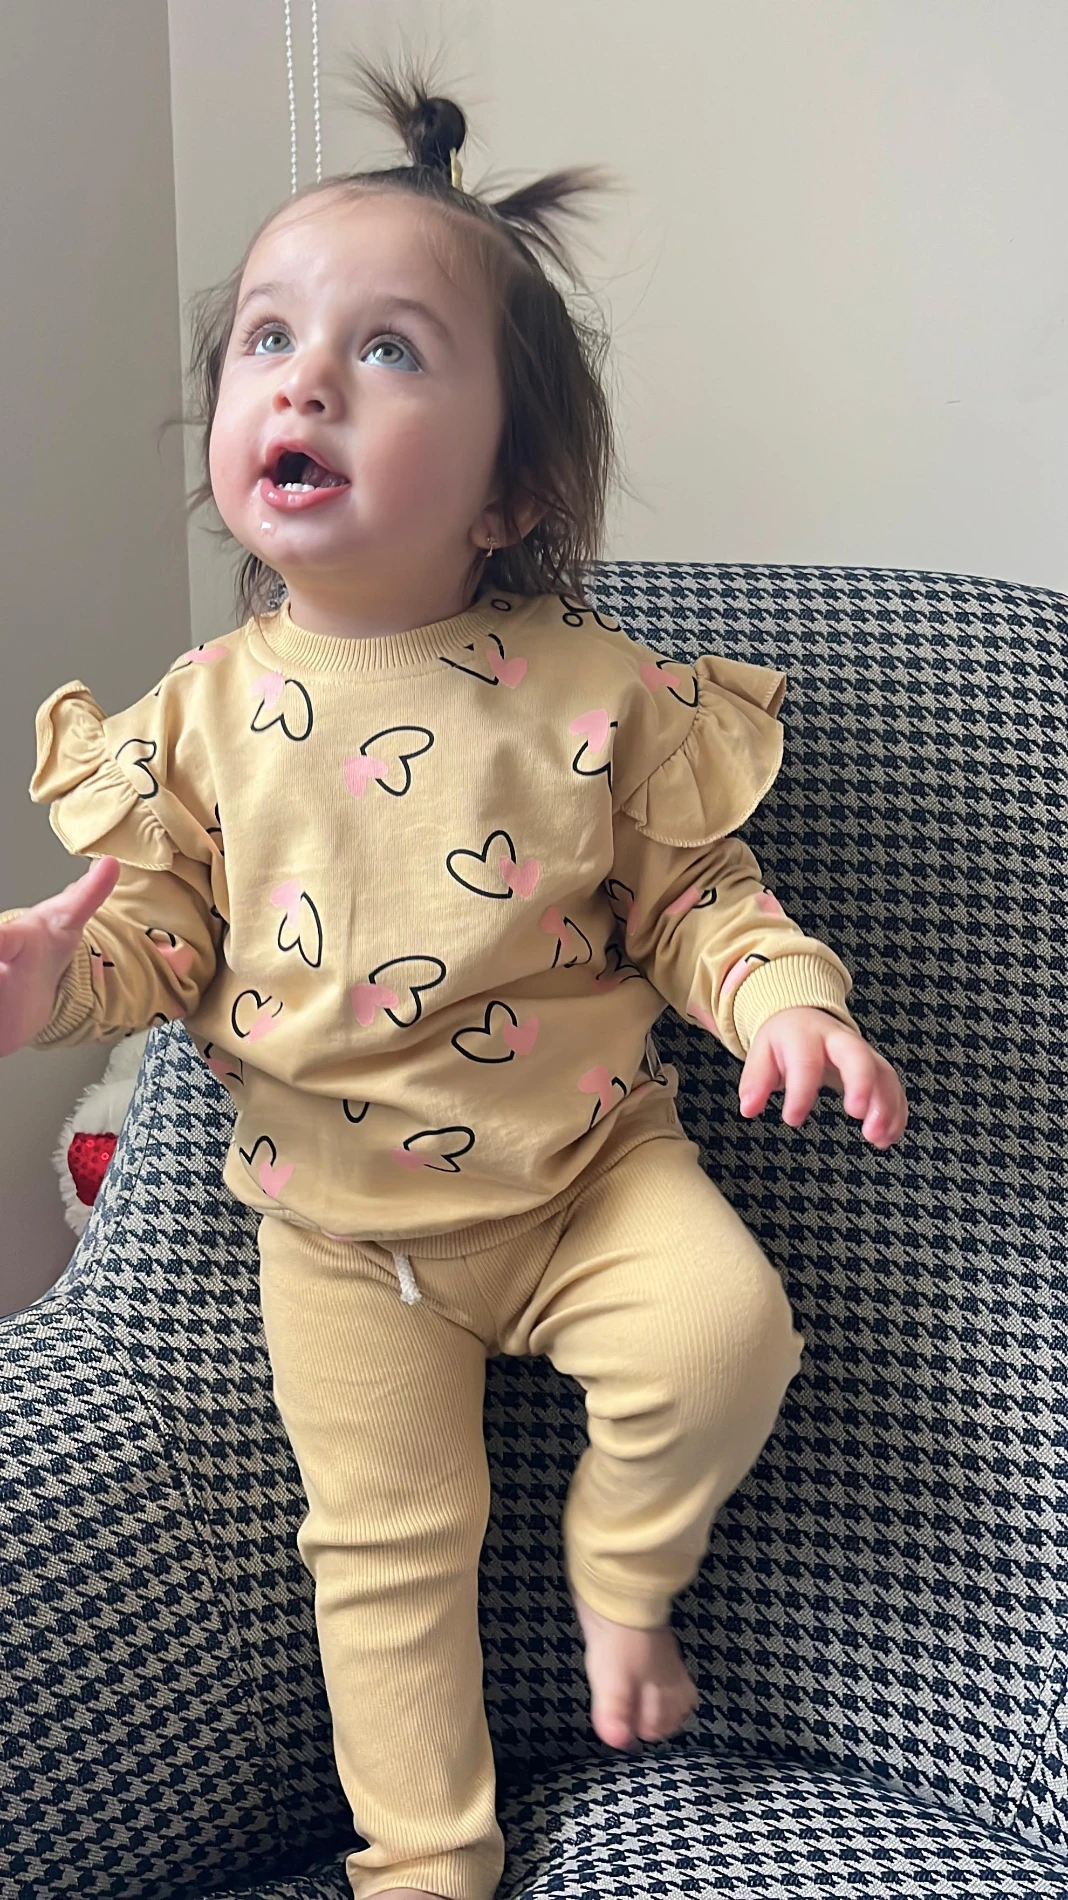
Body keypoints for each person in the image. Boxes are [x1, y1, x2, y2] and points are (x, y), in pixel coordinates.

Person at [0, 53, 908, 1900]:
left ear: (513, 493)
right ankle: (424, 1856)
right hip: (340, 1233)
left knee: (727, 1336)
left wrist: (787, 1001)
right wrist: (52, 981)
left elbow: (696, 897)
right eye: (269, 340)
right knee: (384, 1553)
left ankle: (623, 1572)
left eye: (390, 350)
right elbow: (158, 939)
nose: (305, 380)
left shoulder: (595, 695)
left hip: (591, 1177)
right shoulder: (197, 724)